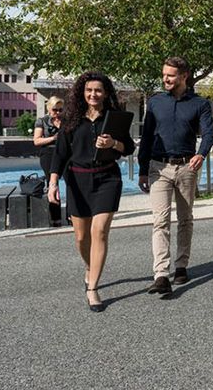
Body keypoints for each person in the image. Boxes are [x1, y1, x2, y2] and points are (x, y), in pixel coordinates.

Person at [47, 71, 135, 313]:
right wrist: (53, 183)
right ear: (82, 93)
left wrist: (113, 144)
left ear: (105, 93)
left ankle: (93, 287)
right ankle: (89, 266)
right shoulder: (71, 118)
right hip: (77, 180)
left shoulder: (114, 118)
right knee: (81, 237)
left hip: (107, 178)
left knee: (100, 232)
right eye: (89, 90)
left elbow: (128, 147)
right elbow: (60, 153)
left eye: (98, 90)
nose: (93, 94)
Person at [138, 56, 213, 295]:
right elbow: (147, 137)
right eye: (164, 75)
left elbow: (209, 134)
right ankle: (161, 274)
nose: (165, 79)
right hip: (158, 168)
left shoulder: (200, 103)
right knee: (160, 220)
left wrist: (201, 154)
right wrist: (142, 169)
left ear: (184, 76)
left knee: (185, 218)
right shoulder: (155, 102)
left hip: (186, 168)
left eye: (170, 75)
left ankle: (181, 265)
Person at [33, 96, 64, 226]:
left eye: (60, 110)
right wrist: (53, 138)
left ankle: (74, 214)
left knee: (74, 181)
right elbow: (37, 141)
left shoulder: (66, 121)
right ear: (49, 109)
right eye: (55, 109)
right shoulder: (42, 121)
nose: (58, 113)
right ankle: (55, 217)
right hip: (48, 153)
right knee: (53, 184)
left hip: (65, 153)